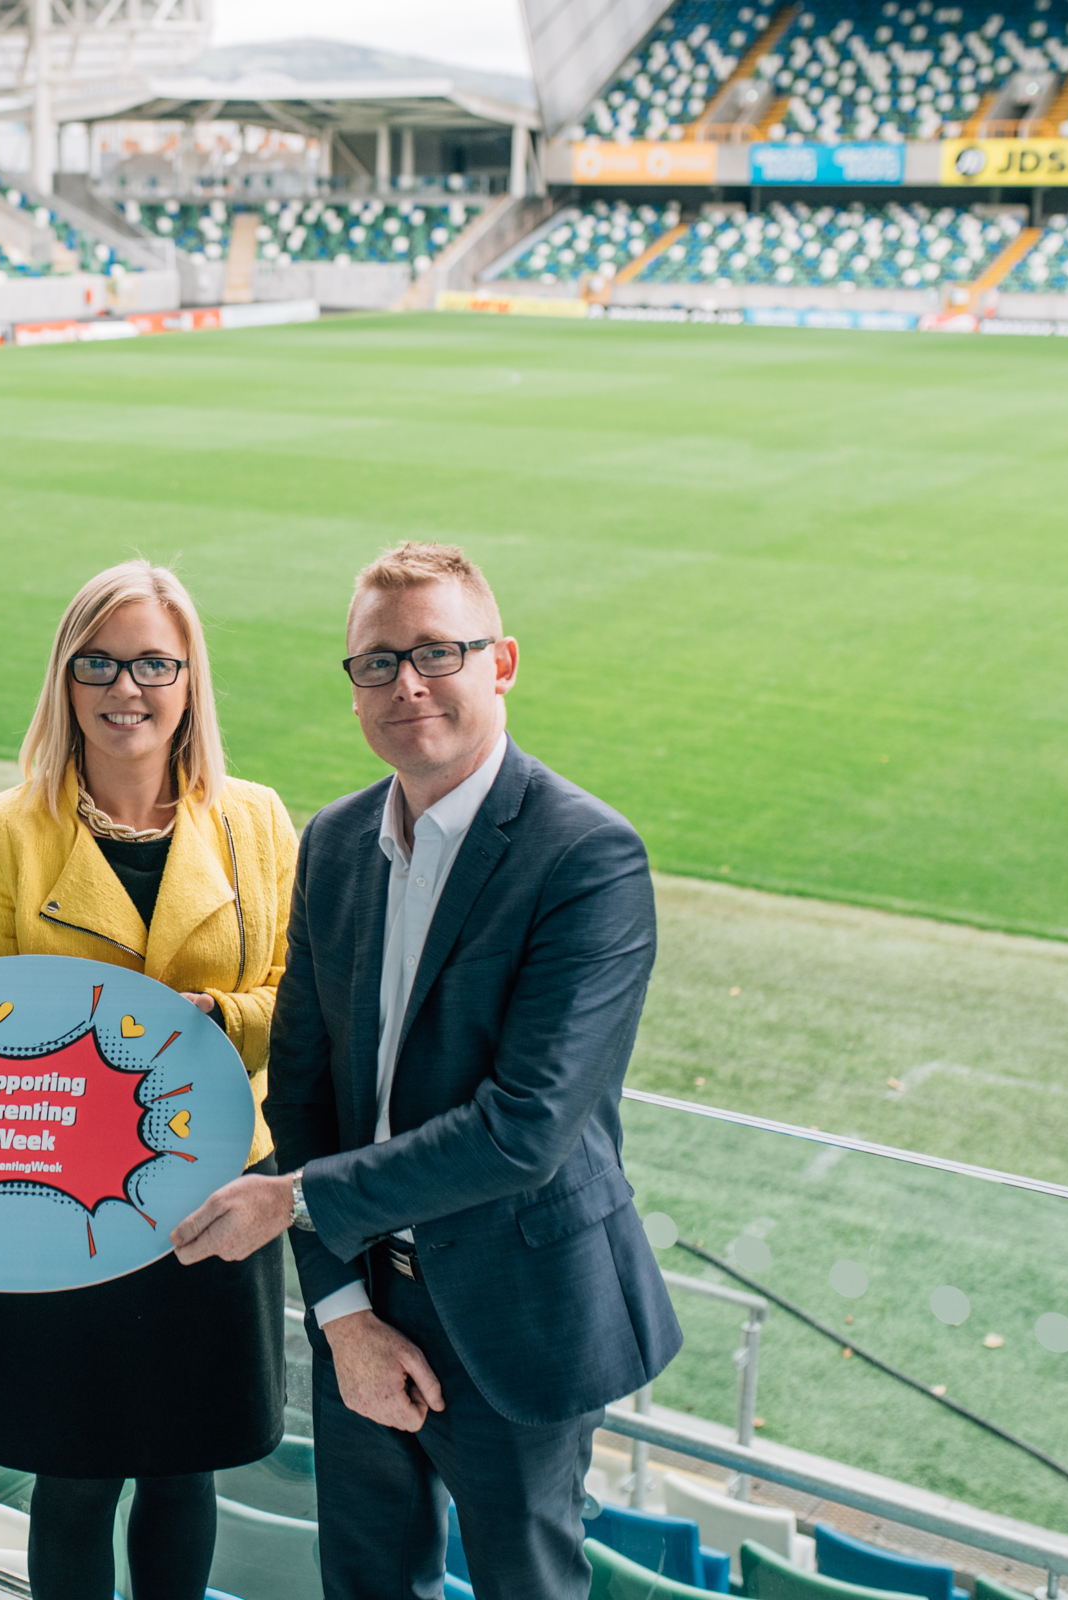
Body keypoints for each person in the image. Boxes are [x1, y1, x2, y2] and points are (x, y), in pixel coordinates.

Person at [169, 541, 683, 1600]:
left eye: (438, 652)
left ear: (501, 663)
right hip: (366, 1292)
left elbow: (523, 1128)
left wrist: (298, 1199)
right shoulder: (340, 839)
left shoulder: (587, 856)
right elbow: (304, 1088)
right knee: (363, 1581)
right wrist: (346, 1312)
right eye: (377, 660)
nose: (407, 683)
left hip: (517, 1308)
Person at [0, 560, 296, 1600]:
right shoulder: (3, 831)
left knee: (183, 1468)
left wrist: (221, 1019)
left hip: (215, 1192)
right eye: (97, 661)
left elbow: (303, 999)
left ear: (192, 680)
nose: (125, 688)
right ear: (65, 679)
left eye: (154, 662)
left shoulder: (258, 821)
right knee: (72, 1477)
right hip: (65, 1199)